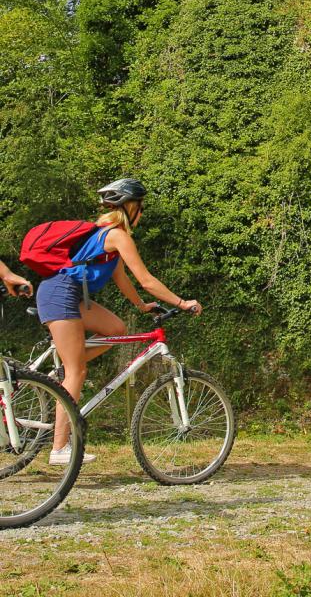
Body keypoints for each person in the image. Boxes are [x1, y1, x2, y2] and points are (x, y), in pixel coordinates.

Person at [35, 178, 202, 464]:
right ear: (130, 207)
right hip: (61, 294)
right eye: (141, 207)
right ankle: (59, 448)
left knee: (116, 330)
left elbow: (121, 276)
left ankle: (66, 367)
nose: (143, 213)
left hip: (69, 295)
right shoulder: (116, 236)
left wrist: (141, 306)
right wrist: (182, 302)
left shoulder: (107, 236)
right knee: (77, 372)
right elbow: (146, 280)